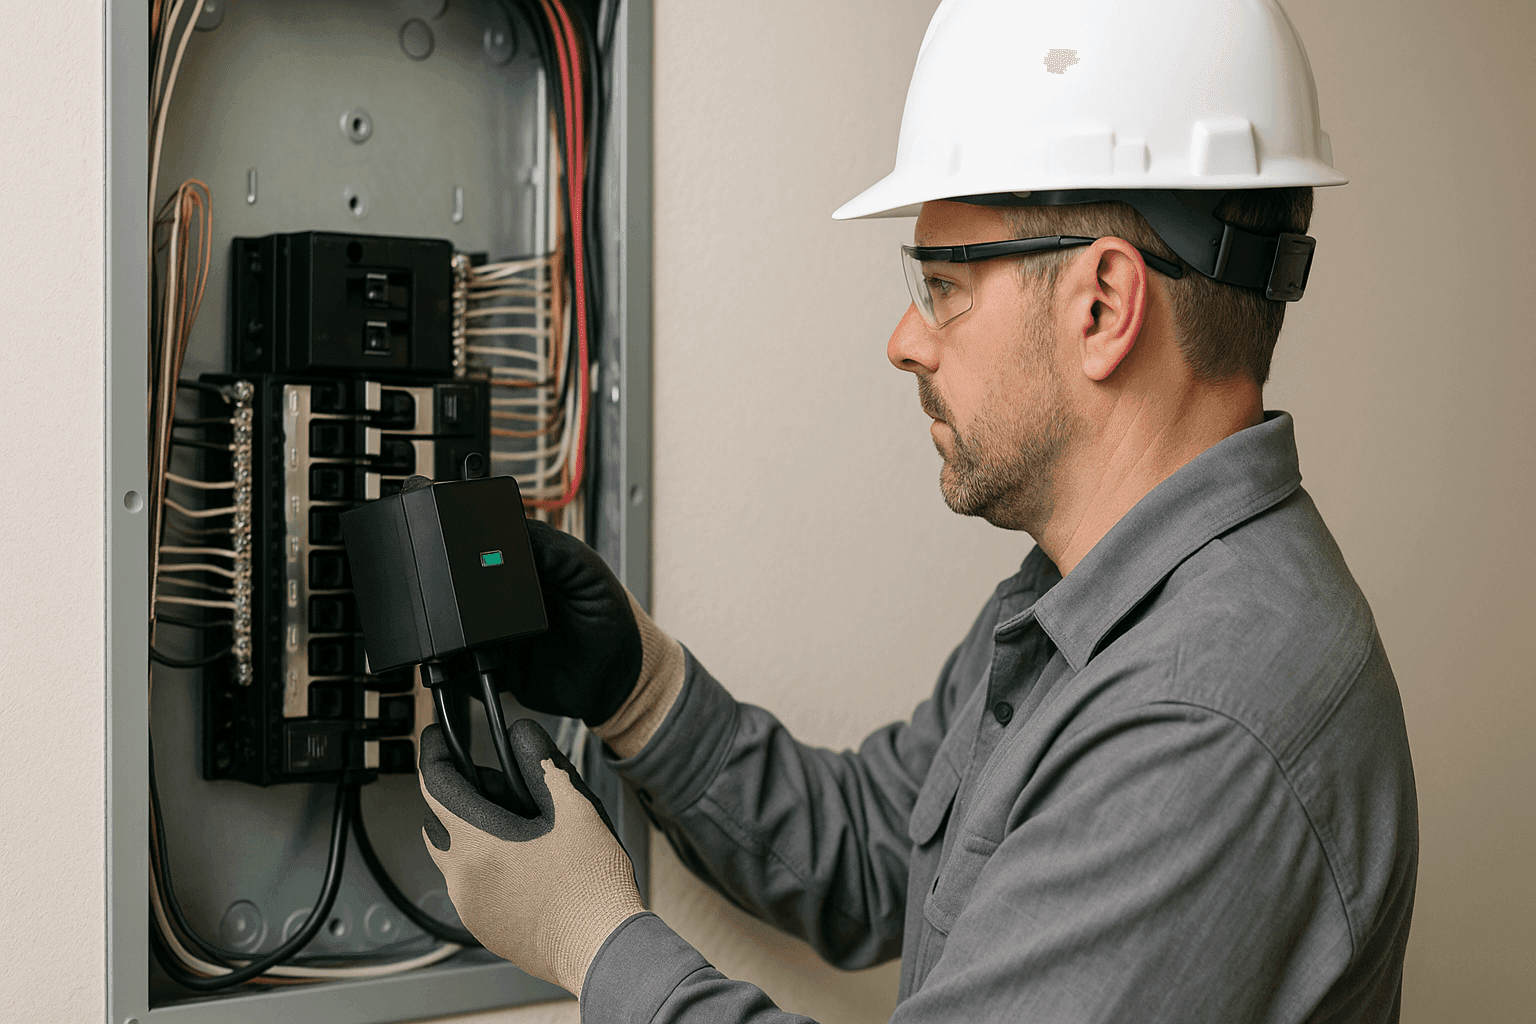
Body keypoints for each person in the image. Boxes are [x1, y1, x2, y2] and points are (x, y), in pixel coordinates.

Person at [416, 1, 1418, 1021]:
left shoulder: (1199, 723)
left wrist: (592, 939)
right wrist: (639, 687)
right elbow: (874, 853)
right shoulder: (1083, 597)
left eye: (942, 286)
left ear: (1103, 306)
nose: (906, 339)